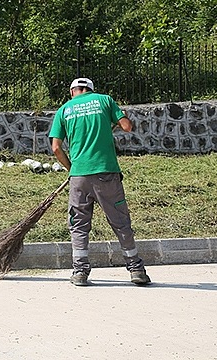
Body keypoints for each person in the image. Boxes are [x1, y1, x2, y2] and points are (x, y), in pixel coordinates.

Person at [48, 77, 151, 286]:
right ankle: (136, 269)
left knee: (78, 225)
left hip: (79, 177)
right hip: (107, 174)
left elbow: (56, 148)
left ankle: (80, 272)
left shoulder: (64, 110)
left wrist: (72, 170)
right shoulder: (105, 101)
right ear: (91, 90)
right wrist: (120, 119)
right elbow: (127, 127)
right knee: (120, 222)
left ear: (72, 91)